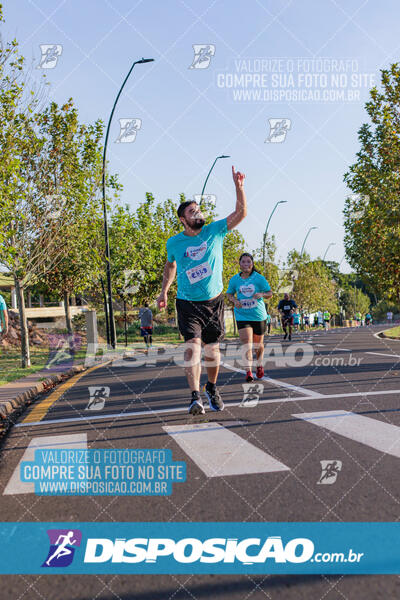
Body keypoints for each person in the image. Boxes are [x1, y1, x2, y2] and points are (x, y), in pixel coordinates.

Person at [157, 166, 247, 415]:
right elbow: (170, 265)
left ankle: (212, 387)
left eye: (198, 209)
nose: (197, 212)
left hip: (214, 302)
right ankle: (195, 397)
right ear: (183, 219)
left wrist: (239, 188)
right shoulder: (174, 242)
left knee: (212, 351)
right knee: (193, 347)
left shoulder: (214, 231)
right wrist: (164, 291)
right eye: (192, 211)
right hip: (187, 303)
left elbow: (241, 213)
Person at [226, 253, 272, 382]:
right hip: (242, 315)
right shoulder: (234, 279)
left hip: (258, 316)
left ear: (252, 264)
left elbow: (270, 293)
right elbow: (229, 294)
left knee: (258, 345)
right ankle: (248, 372)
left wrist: (261, 294)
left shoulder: (259, 278)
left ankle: (259, 364)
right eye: (243, 262)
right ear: (239, 264)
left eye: (248, 262)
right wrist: (234, 301)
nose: (246, 264)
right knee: (247, 344)